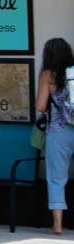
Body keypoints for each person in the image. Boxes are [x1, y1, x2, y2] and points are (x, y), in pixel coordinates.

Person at [35, 37, 74, 233]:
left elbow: (41, 106)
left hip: (58, 132)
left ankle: (58, 224)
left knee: (57, 178)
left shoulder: (47, 75)